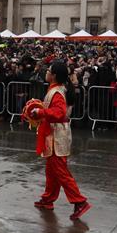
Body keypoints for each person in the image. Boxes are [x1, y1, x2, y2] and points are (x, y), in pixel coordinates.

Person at [30, 60, 90, 221]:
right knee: (52, 170)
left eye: (48, 70)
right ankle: (48, 199)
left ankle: (79, 201)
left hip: (57, 136)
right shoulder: (55, 89)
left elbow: (59, 113)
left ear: (54, 75)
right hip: (54, 134)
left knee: (61, 171)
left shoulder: (57, 92)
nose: (46, 72)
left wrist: (41, 112)